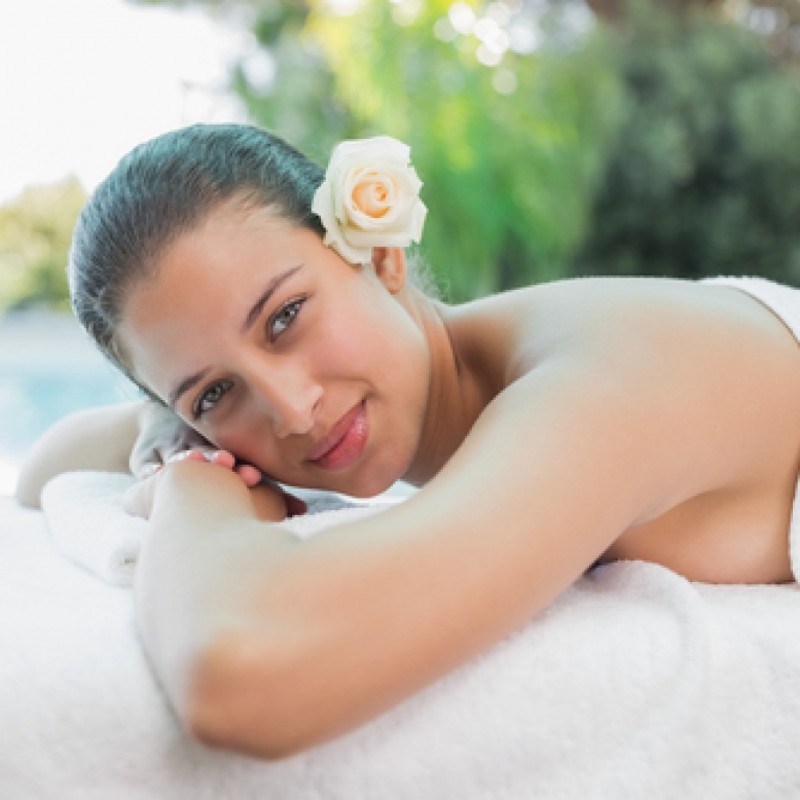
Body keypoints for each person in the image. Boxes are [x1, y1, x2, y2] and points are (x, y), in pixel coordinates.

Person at [16, 123, 800, 759]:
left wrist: (196, 486)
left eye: (285, 317)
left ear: (378, 251)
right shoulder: (489, 376)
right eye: (216, 393)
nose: (291, 409)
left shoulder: (605, 382)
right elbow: (45, 468)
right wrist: (165, 426)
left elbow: (239, 676)